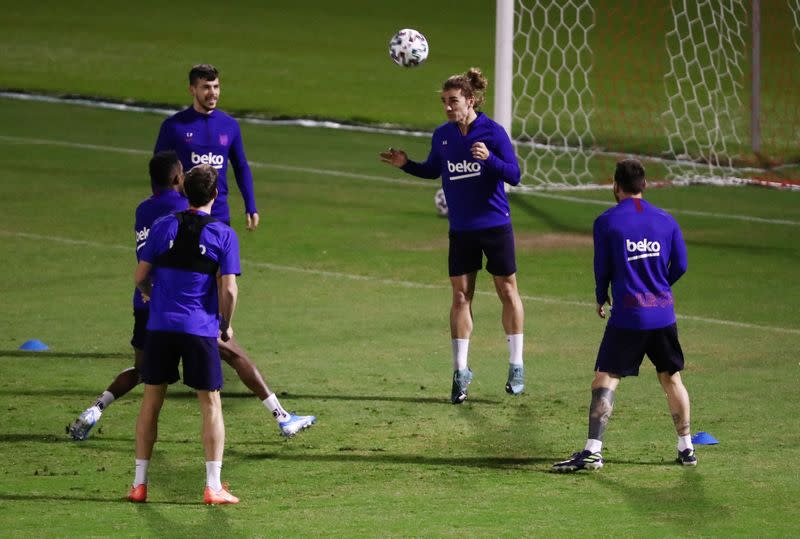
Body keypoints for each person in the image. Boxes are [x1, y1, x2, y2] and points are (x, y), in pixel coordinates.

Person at [68, 152, 314, 441]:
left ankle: (95, 409)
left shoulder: (143, 210)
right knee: (234, 356)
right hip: (189, 308)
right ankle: (282, 417)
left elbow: (145, 267)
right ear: (178, 180)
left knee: (143, 370)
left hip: (147, 305)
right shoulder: (184, 211)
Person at [380, 67, 525, 404]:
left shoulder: (493, 132)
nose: (448, 107)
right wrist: (407, 164)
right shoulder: (442, 135)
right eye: (444, 101)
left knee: (506, 290)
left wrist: (490, 160)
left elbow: (514, 175)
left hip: (494, 225)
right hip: (461, 230)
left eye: (454, 101)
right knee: (460, 298)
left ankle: (516, 364)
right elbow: (434, 169)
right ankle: (460, 372)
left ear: (470, 100)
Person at [552, 159, 696, 472]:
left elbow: (601, 266)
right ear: (644, 186)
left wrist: (601, 295)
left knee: (605, 378)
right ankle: (687, 448)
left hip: (629, 316)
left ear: (615, 186)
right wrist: (658, 287)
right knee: (671, 378)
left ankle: (593, 450)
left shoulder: (607, 221)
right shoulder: (667, 220)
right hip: (662, 315)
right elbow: (681, 265)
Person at [127, 164, 240, 503]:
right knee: (210, 404)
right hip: (199, 328)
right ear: (215, 195)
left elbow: (140, 275)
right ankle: (213, 486)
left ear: (183, 192)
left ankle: (139, 484)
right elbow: (229, 290)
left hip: (160, 327)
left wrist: (150, 292)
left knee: (151, 402)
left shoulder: (163, 226)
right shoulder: (223, 234)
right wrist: (224, 322)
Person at [154, 63, 258, 229]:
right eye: (206, 87)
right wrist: (162, 206)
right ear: (192, 89)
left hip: (219, 216)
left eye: (216, 87)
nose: (213, 93)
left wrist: (250, 205)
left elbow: (241, 166)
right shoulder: (173, 126)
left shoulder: (230, 125)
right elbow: (159, 170)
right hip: (183, 216)